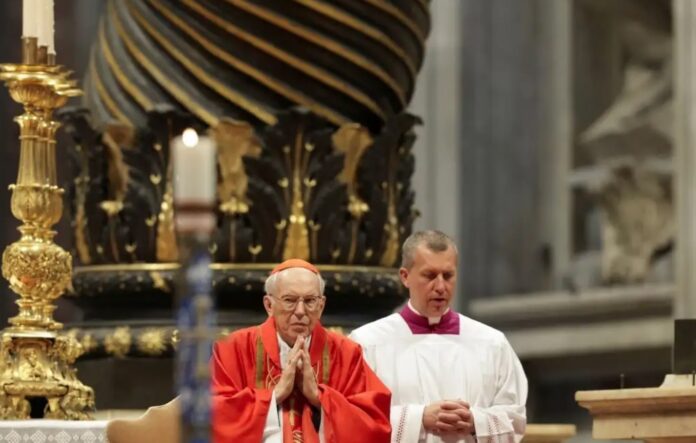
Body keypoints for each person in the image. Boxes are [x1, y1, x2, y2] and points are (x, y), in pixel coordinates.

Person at [350, 230, 527, 443]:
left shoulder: (492, 343)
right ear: (405, 277)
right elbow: (353, 418)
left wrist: (474, 421)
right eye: (430, 275)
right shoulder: (367, 343)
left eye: (448, 275)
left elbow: (516, 419)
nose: (441, 287)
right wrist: (419, 419)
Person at [211, 259, 392, 443]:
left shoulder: (346, 353)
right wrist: (274, 395)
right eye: (289, 300)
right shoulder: (233, 349)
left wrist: (319, 397)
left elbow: (374, 425)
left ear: (321, 306)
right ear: (269, 305)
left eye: (310, 301)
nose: (300, 311)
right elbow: (211, 416)